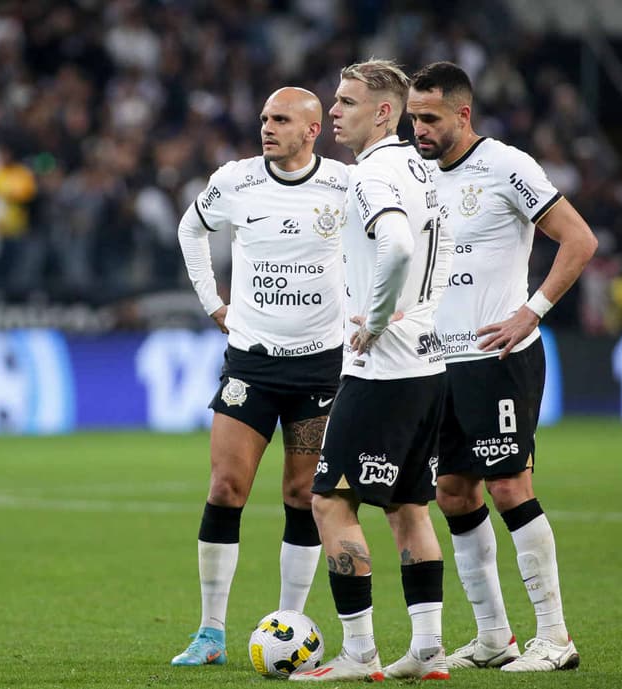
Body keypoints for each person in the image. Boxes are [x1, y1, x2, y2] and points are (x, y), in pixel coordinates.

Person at [407, 61, 598, 672]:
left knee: (510, 486)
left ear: (463, 114)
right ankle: (494, 636)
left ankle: (556, 638)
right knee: (452, 493)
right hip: (439, 363)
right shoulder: (411, 177)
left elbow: (579, 240)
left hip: (499, 357)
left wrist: (532, 311)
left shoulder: (507, 166)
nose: (419, 129)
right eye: (413, 118)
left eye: (430, 118)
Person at [171, 87, 350, 667]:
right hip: (251, 360)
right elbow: (190, 230)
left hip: (321, 365)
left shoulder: (345, 188)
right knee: (226, 487)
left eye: (280, 120)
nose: (267, 128)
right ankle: (210, 632)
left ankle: (288, 623)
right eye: (264, 118)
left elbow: (388, 245)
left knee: (302, 495)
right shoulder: (237, 181)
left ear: (312, 129)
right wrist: (212, 303)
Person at [289, 59, 453, 683]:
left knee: (328, 502)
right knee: (410, 508)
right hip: (428, 366)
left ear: (384, 112)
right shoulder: (421, 168)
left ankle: (359, 654)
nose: (334, 111)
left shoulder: (372, 174)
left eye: (347, 102)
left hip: (382, 369)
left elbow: (400, 246)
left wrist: (378, 318)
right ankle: (429, 650)